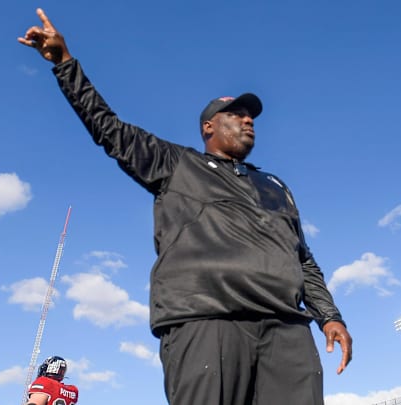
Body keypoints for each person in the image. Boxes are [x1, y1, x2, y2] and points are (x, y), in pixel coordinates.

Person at [18, 8, 352, 405]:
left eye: (252, 117)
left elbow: (303, 259)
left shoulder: (276, 185)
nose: (249, 121)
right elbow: (109, 129)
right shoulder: (176, 164)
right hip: (207, 319)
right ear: (208, 126)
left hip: (286, 328)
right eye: (237, 114)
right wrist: (65, 64)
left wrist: (330, 315)